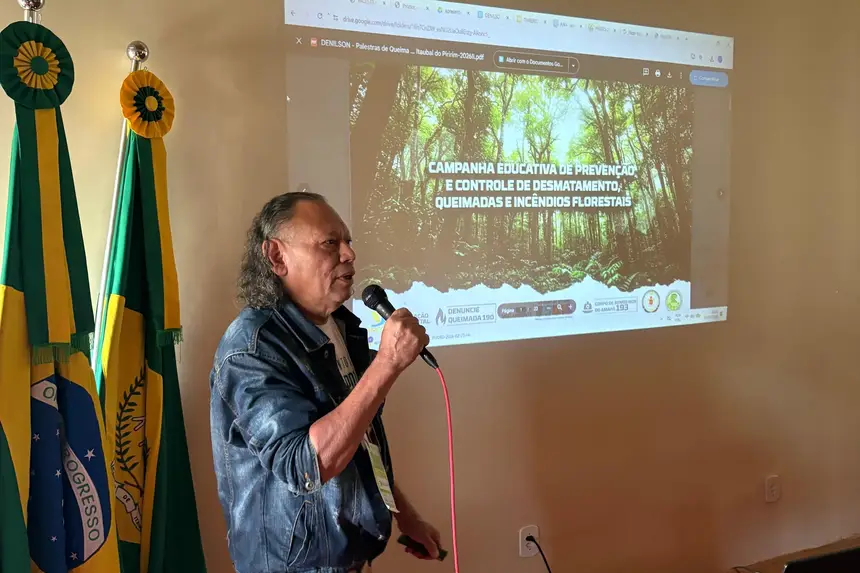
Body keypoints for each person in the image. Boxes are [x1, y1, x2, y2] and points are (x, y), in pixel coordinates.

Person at [209, 192, 443, 573]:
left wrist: (403, 515)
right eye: (330, 243)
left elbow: (358, 438)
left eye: (348, 242)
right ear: (276, 257)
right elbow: (306, 464)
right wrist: (386, 365)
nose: (349, 254)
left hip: (346, 558)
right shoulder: (251, 349)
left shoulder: (340, 327)